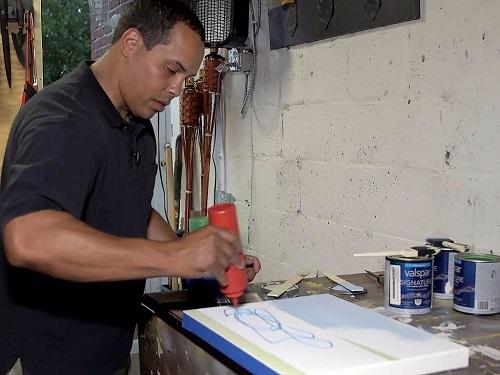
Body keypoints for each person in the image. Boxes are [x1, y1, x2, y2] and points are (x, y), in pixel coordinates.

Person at [0, 1, 261, 374]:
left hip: (105, 347)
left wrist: (199, 258)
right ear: (131, 44)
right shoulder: (61, 119)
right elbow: (28, 238)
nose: (175, 90)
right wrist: (175, 258)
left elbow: (131, 207)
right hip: (43, 354)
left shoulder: (137, 125)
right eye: (171, 70)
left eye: (185, 78)